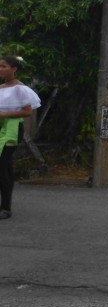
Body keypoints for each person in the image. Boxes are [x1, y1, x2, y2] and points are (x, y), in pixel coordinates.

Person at [0, 56, 41, 220]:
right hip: (1, 127)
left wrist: (5, 114)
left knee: (2, 165)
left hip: (12, 128)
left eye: (4, 66)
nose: (1, 69)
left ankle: (5, 207)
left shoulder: (20, 89)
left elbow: (27, 111)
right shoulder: (2, 87)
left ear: (14, 68)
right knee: (6, 167)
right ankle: (5, 206)